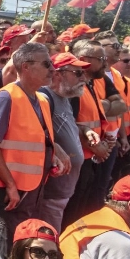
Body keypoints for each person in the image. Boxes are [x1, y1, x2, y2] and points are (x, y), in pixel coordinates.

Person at [0, 42, 58, 259]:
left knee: (19, 246)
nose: (52, 69)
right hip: (9, 190)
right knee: (3, 250)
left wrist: (58, 154)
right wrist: (10, 184)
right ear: (26, 67)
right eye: (46, 64)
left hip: (30, 188)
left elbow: (41, 137)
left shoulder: (41, 98)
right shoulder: (6, 97)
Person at [68, 41, 126, 220]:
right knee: (72, 209)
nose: (106, 63)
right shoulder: (73, 87)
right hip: (77, 158)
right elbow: (67, 124)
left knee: (84, 206)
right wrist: (95, 146)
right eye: (101, 59)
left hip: (91, 156)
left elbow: (121, 106)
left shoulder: (91, 83)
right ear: (84, 59)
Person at [44, 53, 90, 229]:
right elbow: (36, 132)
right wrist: (55, 147)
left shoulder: (64, 98)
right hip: (51, 189)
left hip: (62, 188)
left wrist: (85, 130)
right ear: (58, 73)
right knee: (47, 234)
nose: (83, 78)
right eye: (77, 73)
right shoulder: (45, 97)